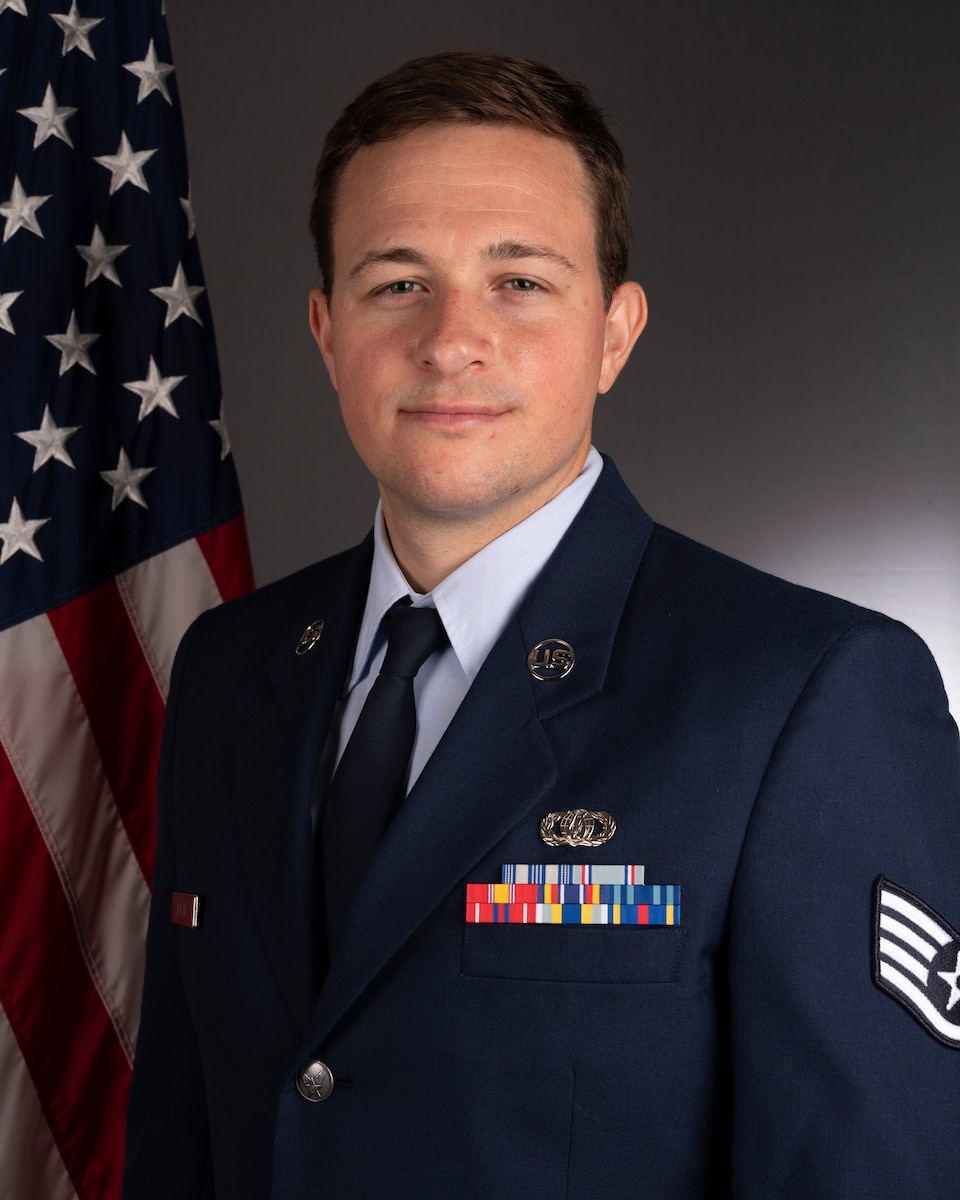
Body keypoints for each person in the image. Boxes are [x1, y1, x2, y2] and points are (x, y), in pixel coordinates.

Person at [123, 51, 960, 1199]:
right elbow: (183, 1137)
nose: (451, 340)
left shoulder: (807, 696)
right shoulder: (229, 668)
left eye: (519, 282)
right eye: (395, 282)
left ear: (615, 332)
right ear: (326, 331)